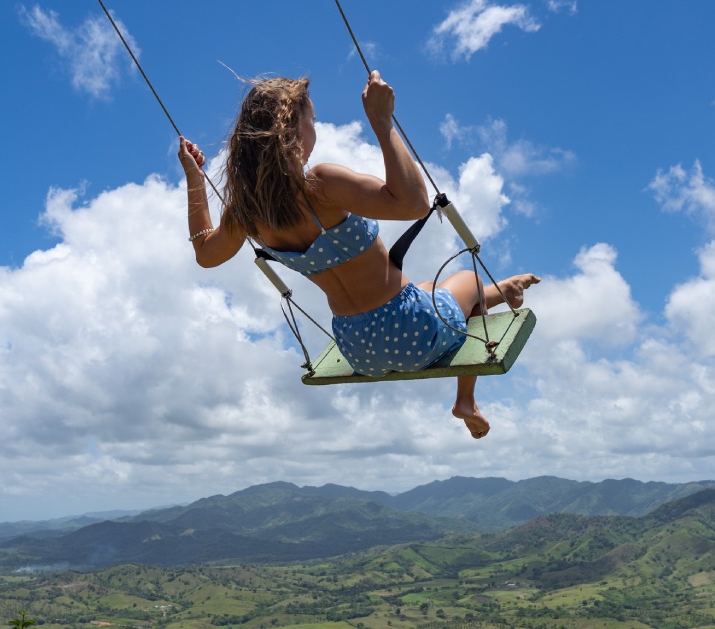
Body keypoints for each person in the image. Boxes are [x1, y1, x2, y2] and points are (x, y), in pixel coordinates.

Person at [179, 70, 539, 439]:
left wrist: (195, 178)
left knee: (428, 288)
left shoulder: (245, 214)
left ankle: (506, 290)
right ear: (292, 129)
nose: (315, 129)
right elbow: (415, 204)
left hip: (357, 348)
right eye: (312, 120)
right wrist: (382, 122)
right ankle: (466, 400)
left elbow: (205, 253)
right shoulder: (321, 185)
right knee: (469, 280)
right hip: (413, 330)